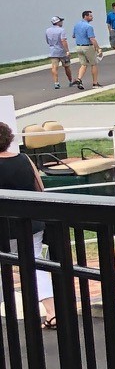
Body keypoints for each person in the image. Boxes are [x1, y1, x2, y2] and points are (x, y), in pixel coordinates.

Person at [0, 122, 56, 328]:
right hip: (30, 223)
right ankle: (52, 312)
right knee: (35, 265)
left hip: (3, 227)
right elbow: (39, 189)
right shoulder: (25, 159)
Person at [69, 11, 102, 89]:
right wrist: (98, 48)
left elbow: (73, 36)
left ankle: (79, 79)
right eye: (90, 16)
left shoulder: (77, 25)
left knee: (83, 64)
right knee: (93, 64)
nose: (92, 17)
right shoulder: (88, 26)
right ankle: (95, 83)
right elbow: (92, 38)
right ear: (85, 16)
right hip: (87, 47)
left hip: (78, 47)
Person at [44, 16, 77, 90]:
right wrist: (67, 50)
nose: (62, 22)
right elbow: (63, 40)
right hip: (62, 51)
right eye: (61, 21)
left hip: (53, 51)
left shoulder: (48, 30)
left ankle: (56, 82)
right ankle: (70, 80)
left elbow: (47, 41)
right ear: (58, 22)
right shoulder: (61, 30)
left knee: (54, 67)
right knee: (67, 66)